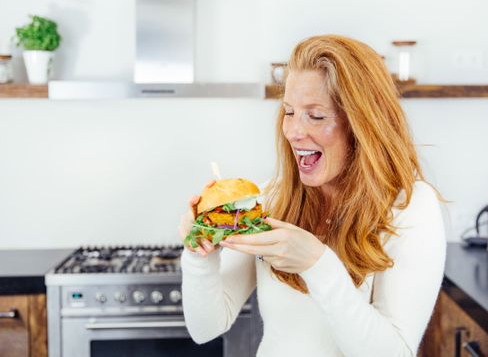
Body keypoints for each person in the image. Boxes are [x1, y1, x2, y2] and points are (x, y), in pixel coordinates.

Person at [179, 34, 446, 356]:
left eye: (316, 115)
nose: (292, 131)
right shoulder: (270, 197)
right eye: (289, 112)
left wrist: (317, 265)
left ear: (363, 124)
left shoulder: (410, 206)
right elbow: (206, 328)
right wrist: (199, 258)